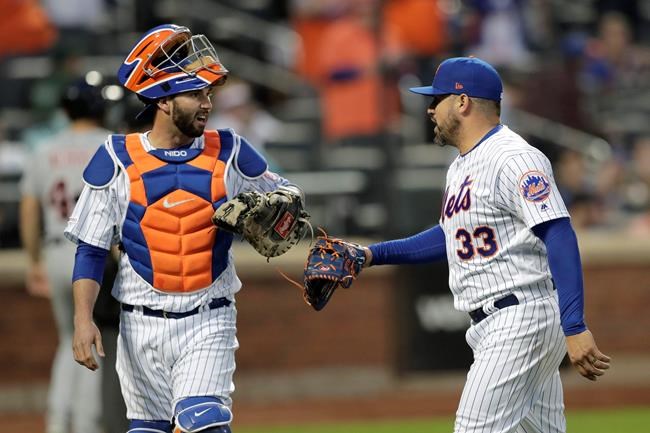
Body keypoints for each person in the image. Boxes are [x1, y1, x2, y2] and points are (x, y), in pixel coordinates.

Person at [64, 24, 305, 433]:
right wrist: (82, 320)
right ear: (161, 100)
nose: (207, 103)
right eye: (196, 94)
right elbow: (90, 248)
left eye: (209, 93)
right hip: (139, 323)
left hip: (209, 316)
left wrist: (274, 212)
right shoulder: (115, 158)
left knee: (204, 423)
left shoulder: (230, 150)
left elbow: (289, 200)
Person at [351, 57, 611, 433]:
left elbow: (558, 232)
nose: (429, 108)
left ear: (462, 102)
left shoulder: (513, 157)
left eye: (436, 98)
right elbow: (450, 235)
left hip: (520, 318)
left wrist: (575, 324)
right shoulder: (461, 165)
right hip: (506, 321)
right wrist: (372, 254)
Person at [19, 79, 110, 433]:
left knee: (66, 340)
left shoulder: (44, 148)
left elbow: (29, 210)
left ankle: (57, 423)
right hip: (93, 253)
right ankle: (88, 424)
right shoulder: (110, 144)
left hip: (55, 247)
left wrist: (34, 262)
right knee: (91, 337)